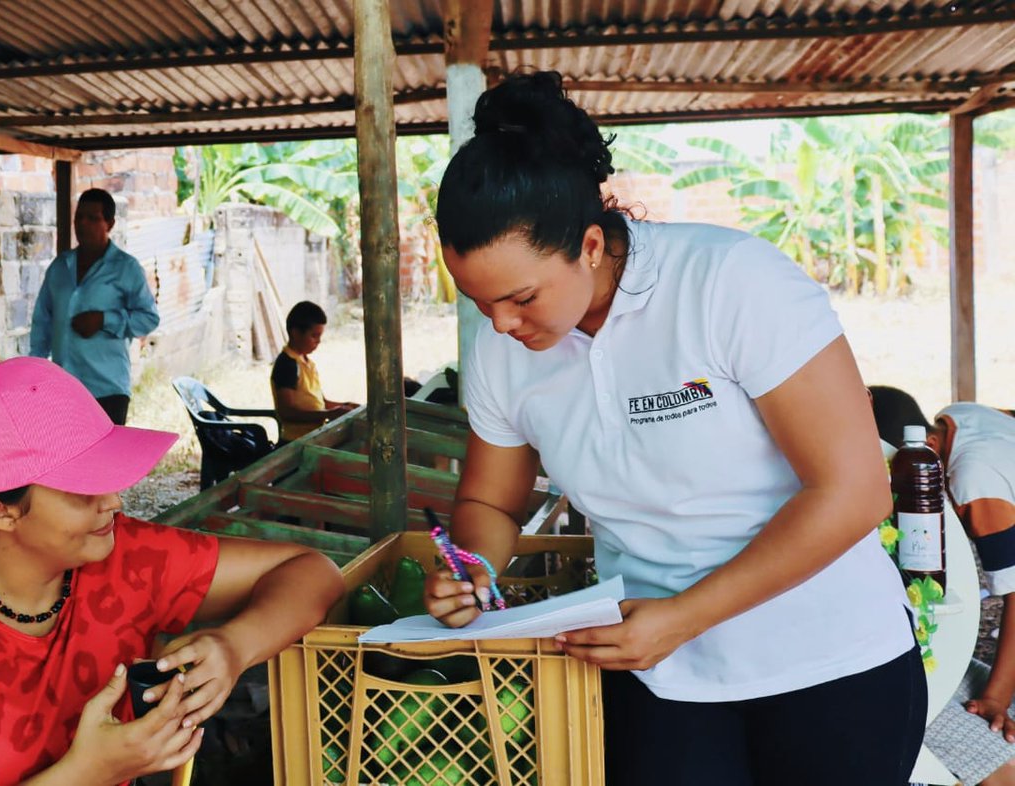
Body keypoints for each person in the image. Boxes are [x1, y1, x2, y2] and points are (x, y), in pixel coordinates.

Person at [422, 71, 924, 785]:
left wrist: (685, 615)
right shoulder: (506, 351)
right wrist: (472, 569)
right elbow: (489, 504)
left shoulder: (729, 284)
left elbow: (853, 492)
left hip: (828, 660)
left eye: (521, 297)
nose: (500, 324)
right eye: (478, 303)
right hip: (660, 676)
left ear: (590, 245)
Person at [0, 356, 343, 785]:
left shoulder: (124, 560)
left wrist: (235, 647)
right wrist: (84, 773)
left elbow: (313, 571)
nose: (115, 501)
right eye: (84, 490)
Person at [870, 385, 1015, 786]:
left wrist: (996, 699)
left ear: (930, 444)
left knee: (990, 737)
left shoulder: (974, 475)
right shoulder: (959, 416)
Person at [30, 188, 159, 425]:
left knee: (108, 461)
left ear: (110, 223)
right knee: (67, 458)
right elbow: (42, 321)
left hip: (107, 389)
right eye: (79, 217)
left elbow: (149, 319)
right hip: (64, 389)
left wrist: (104, 319)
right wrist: (35, 370)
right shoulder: (60, 266)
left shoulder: (126, 268)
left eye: (93, 218)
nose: (83, 224)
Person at [270, 301, 358, 442]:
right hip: (294, 443)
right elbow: (287, 412)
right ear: (296, 333)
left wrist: (344, 407)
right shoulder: (287, 364)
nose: (318, 341)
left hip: (314, 437)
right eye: (314, 336)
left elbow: (321, 402)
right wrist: (329, 414)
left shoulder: (307, 363)